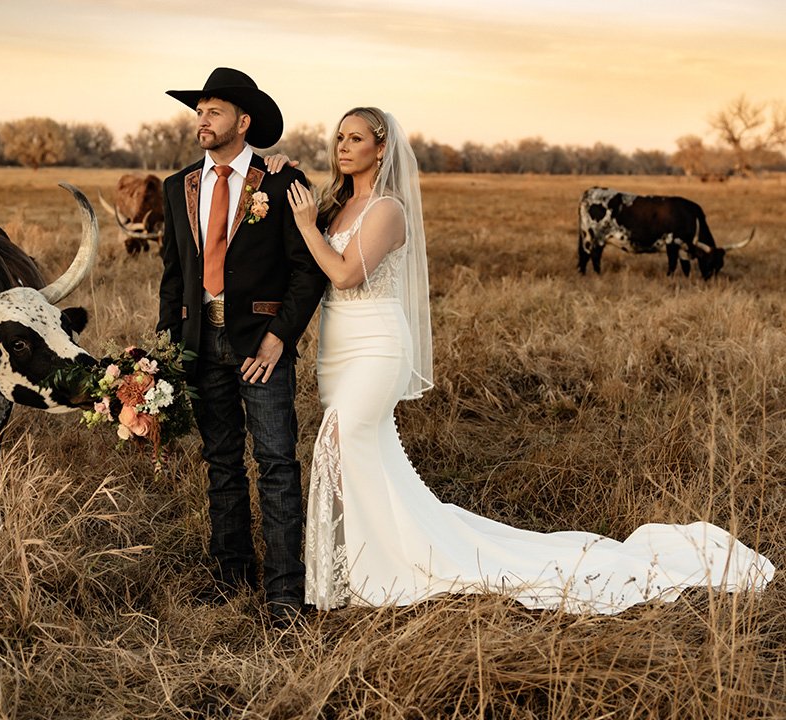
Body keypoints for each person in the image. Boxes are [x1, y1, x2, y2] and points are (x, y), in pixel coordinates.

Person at [284, 106, 775, 613]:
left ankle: (381, 567)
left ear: (381, 149)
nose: (343, 146)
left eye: (356, 138)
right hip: (338, 347)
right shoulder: (334, 205)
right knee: (365, 456)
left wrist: (305, 226)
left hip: (377, 345)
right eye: (339, 137)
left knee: (340, 438)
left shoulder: (387, 209)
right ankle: (368, 562)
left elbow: (344, 275)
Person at [158, 68, 328, 625]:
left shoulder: (280, 183)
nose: (201, 120)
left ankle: (284, 593)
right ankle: (229, 575)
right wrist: (168, 352)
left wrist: (280, 338)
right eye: (198, 111)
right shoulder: (177, 184)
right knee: (221, 461)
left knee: (277, 462)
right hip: (199, 342)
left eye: (213, 111)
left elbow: (307, 274)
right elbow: (173, 274)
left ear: (243, 121)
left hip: (261, 345)